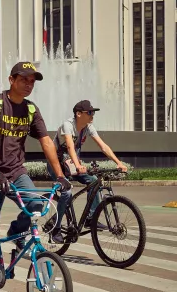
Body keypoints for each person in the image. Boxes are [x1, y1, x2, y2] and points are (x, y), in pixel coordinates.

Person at [0, 61, 71, 292]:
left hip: (16, 171)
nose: (28, 84)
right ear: (11, 80)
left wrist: (60, 176)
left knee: (37, 205)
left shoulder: (30, 109)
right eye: (24, 79)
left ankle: (16, 232)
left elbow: (47, 141)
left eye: (32, 81)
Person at [48, 99, 128, 242]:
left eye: (93, 112)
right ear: (79, 114)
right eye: (89, 112)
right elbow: (71, 147)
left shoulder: (88, 127)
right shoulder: (68, 125)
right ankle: (56, 229)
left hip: (71, 163)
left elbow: (103, 146)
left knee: (93, 182)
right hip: (56, 164)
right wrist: (78, 165)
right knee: (66, 192)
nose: (92, 115)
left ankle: (91, 218)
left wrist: (118, 162)